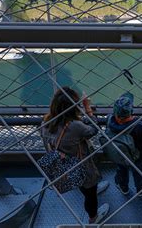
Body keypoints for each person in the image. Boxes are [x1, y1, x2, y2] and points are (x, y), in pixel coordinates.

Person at [41, 87, 109, 224]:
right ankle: (93, 218)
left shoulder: (45, 123)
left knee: (80, 182)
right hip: (80, 164)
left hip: (63, 164)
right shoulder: (75, 126)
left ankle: (88, 188)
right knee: (90, 195)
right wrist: (87, 108)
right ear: (73, 107)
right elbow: (94, 130)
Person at [107, 92, 142, 197]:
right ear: (130, 111)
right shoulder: (141, 126)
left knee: (122, 169)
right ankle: (140, 189)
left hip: (120, 153)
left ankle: (123, 187)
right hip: (136, 156)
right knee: (138, 171)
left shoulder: (110, 121)